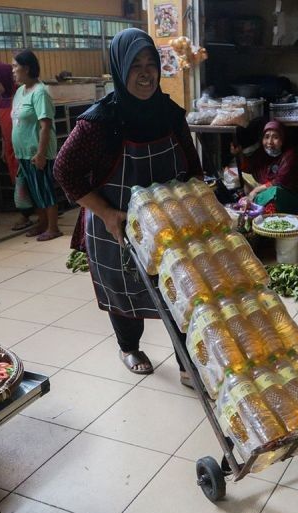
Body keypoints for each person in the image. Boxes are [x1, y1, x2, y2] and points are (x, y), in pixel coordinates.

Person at [54, 28, 202, 383]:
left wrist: (203, 210)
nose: (146, 73)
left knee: (179, 290)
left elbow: (193, 168)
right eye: (136, 64)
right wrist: (104, 212)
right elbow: (64, 170)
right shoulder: (98, 122)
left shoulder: (169, 112)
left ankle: (187, 362)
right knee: (123, 289)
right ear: (120, 68)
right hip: (116, 221)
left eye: (151, 63)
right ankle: (129, 347)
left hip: (167, 220)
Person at [11, 50, 62, 241]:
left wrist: (41, 153)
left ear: (27, 68)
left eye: (15, 66)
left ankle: (53, 227)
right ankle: (41, 224)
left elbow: (45, 125)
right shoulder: (19, 92)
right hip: (23, 152)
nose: (13, 71)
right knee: (34, 191)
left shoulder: (40, 92)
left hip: (37, 152)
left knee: (44, 189)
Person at [0, 62, 35, 231]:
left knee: (29, 179)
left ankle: (31, 214)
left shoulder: (20, 94)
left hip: (24, 145)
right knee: (18, 180)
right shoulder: (1, 98)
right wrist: (2, 146)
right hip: (10, 147)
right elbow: (3, 126)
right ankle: (28, 211)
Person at [230, 120, 298, 215]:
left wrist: (254, 192)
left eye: (275, 137)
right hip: (266, 193)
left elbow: (278, 182)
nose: (270, 142)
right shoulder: (261, 153)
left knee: (275, 191)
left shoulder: (289, 156)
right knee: (246, 180)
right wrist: (238, 154)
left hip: (294, 199)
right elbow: (248, 168)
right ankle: (253, 204)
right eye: (266, 137)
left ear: (282, 140)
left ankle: (252, 203)